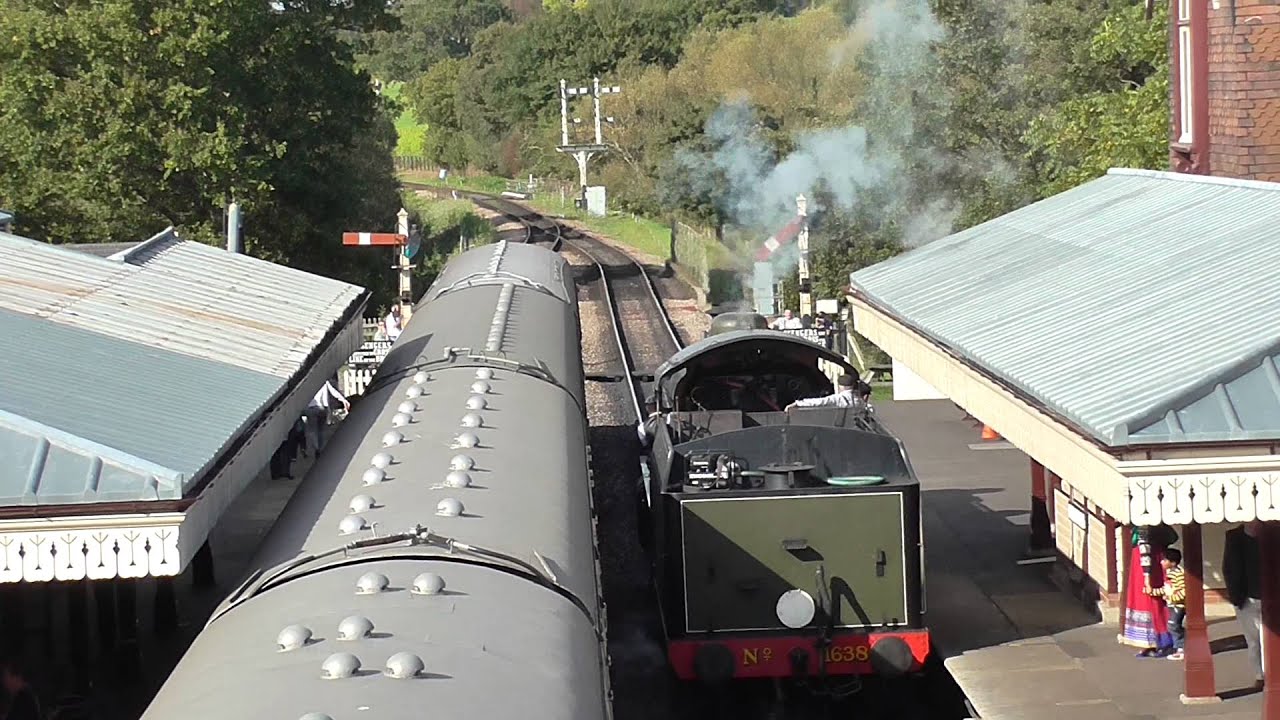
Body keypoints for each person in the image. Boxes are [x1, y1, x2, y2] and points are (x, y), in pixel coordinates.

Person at [1122, 524, 1177, 657]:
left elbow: (1144, 550)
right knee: (1154, 603)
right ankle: (1151, 642)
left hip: (1146, 569)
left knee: (1151, 603)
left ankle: (1160, 642)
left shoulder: (1143, 526)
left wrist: (1147, 576)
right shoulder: (1154, 525)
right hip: (1152, 566)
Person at [1224, 520, 1264, 686]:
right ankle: (1260, 675)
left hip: (1271, 597)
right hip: (1246, 598)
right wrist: (1236, 597)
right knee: (1254, 640)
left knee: (1269, 638)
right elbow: (1229, 568)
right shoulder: (1234, 537)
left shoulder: (1273, 534)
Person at [1153, 547, 1186, 661]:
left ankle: (1181, 648)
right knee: (1172, 625)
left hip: (1178, 605)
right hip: (1172, 604)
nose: (1162, 562)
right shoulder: (1169, 573)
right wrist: (1154, 592)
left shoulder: (1178, 574)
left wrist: (1172, 597)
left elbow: (1183, 591)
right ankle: (1180, 646)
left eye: (1165, 560)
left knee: (1173, 625)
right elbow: (1166, 588)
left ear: (1172, 562)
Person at [303, 379, 350, 456]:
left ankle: (316, 447)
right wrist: (343, 400)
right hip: (323, 408)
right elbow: (334, 392)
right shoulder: (324, 381)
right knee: (321, 430)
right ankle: (320, 448)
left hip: (310, 408)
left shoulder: (305, 383)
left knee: (313, 430)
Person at [784, 374, 870, 411]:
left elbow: (819, 402)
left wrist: (797, 403)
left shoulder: (838, 399)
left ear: (841, 386)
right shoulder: (859, 400)